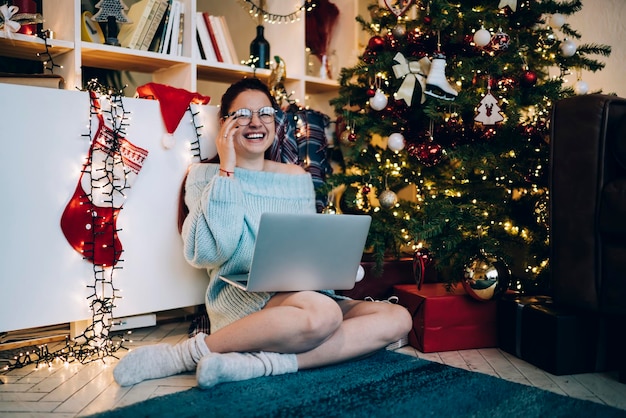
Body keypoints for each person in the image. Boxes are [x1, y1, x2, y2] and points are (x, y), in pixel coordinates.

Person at [113, 77, 413, 389]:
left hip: (306, 297)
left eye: (265, 113)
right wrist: (227, 170)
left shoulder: (296, 177)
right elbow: (212, 253)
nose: (255, 122)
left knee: (397, 318)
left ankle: (257, 364)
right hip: (244, 298)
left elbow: (304, 247)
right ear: (224, 124)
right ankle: (183, 356)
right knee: (323, 315)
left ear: (275, 120)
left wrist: (331, 266)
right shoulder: (205, 176)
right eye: (242, 115)